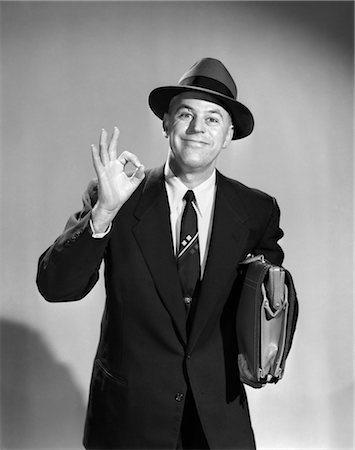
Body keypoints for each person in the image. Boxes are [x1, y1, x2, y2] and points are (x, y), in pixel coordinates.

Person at [37, 57, 284, 450]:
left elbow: (271, 301)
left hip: (217, 423)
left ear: (229, 133)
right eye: (185, 114)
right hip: (128, 419)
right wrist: (104, 212)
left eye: (213, 119)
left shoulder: (256, 211)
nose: (197, 128)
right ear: (166, 122)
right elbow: (56, 286)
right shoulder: (120, 197)